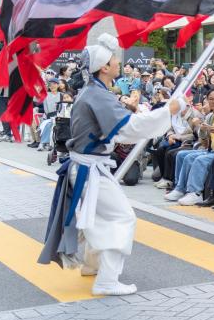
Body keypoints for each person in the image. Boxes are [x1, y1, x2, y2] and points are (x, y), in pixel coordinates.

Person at [39, 34, 183, 296]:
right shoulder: (97, 94)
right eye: (115, 58)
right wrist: (168, 111)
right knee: (122, 217)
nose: (119, 62)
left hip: (87, 166)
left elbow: (122, 128)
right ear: (104, 66)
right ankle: (107, 279)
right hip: (89, 169)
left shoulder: (94, 92)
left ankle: (92, 266)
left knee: (97, 217)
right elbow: (129, 128)